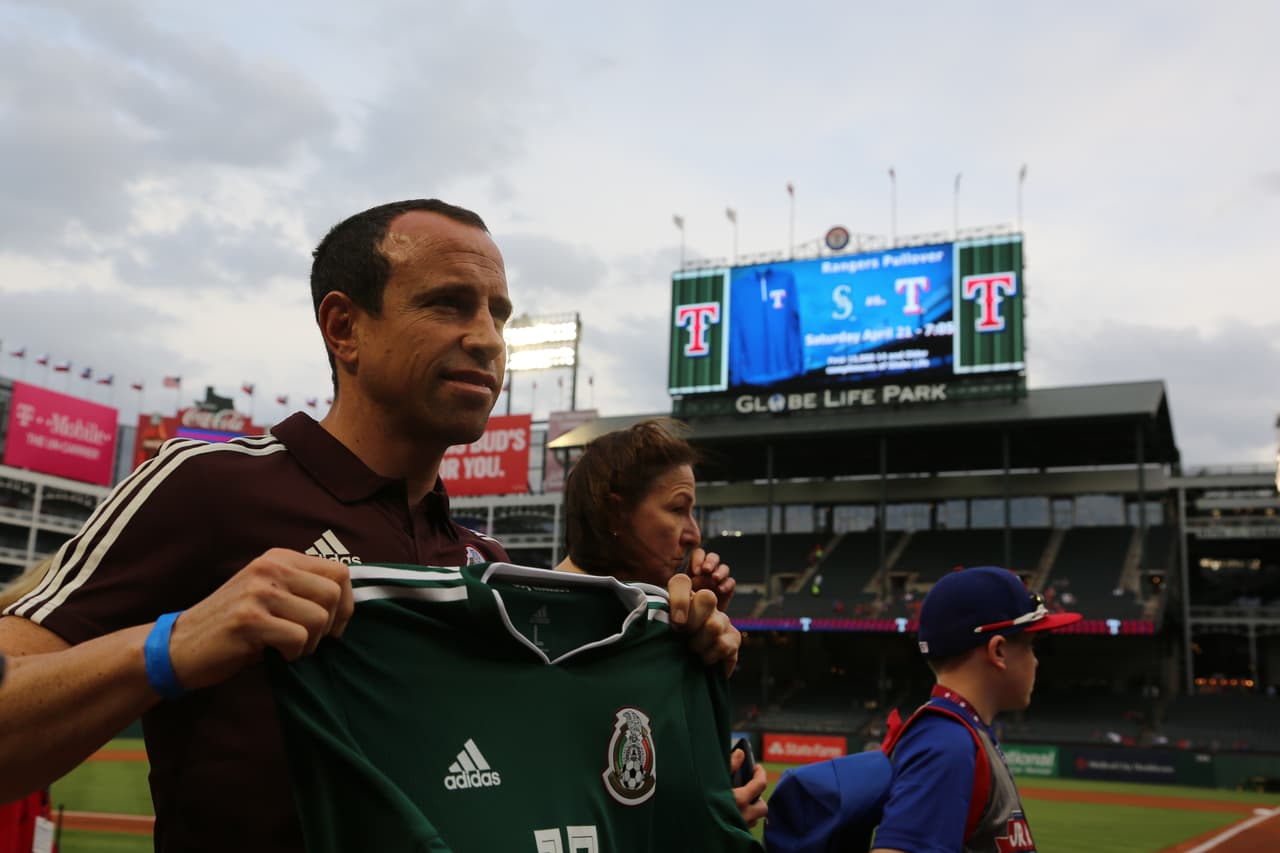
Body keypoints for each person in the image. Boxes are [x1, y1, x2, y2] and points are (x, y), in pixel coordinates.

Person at [0, 200, 738, 852]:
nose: (487, 338)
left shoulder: (485, 564)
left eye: (499, 313)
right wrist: (176, 644)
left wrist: (682, 734)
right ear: (344, 327)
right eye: (450, 304)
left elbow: (546, 778)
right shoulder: (208, 487)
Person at [555, 418, 770, 828]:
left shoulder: (654, 626)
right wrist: (700, 823)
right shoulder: (539, 640)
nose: (694, 534)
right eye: (677, 509)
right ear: (616, 512)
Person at [870, 566, 1081, 853]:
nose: (1035, 661)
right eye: (1030, 646)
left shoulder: (963, 732)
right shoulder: (946, 742)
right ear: (998, 652)